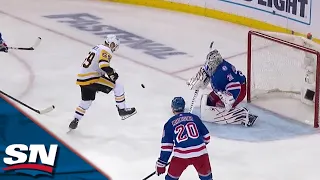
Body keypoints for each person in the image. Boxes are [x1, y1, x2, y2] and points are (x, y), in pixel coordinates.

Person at [69, 34, 136, 130]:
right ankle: (122, 110)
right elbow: (103, 65)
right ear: (109, 42)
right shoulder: (106, 49)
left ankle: (75, 120)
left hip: (82, 78)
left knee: (86, 101)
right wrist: (112, 73)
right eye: (113, 45)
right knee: (118, 85)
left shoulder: (97, 47)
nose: (113, 48)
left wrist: (108, 74)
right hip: (92, 78)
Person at [187, 49, 257, 126]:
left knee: (220, 107)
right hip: (223, 89)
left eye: (210, 63)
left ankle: (244, 116)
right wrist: (198, 80)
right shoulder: (215, 67)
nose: (209, 65)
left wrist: (229, 99)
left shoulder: (222, 73)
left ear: (215, 63)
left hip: (238, 90)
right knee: (210, 100)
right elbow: (205, 70)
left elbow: (236, 86)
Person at [155, 97, 212, 180]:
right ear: (184, 107)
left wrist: (161, 164)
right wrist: (196, 145)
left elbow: (167, 148)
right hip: (201, 153)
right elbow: (207, 138)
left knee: (171, 179)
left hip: (181, 156)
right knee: (207, 178)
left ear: (172, 108)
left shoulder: (169, 123)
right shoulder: (195, 118)